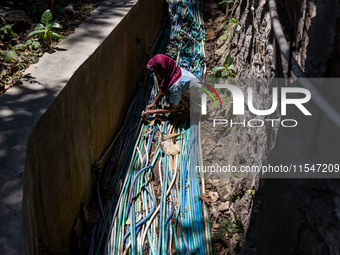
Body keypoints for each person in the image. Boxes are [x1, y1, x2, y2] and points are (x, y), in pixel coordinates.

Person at [141, 54, 201, 119]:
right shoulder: (173, 70)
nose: (155, 75)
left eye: (156, 73)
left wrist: (153, 112)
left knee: (174, 114)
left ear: (162, 71)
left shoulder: (175, 86)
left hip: (199, 104)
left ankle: (191, 113)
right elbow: (164, 86)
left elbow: (173, 109)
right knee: (167, 91)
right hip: (198, 95)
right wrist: (153, 103)